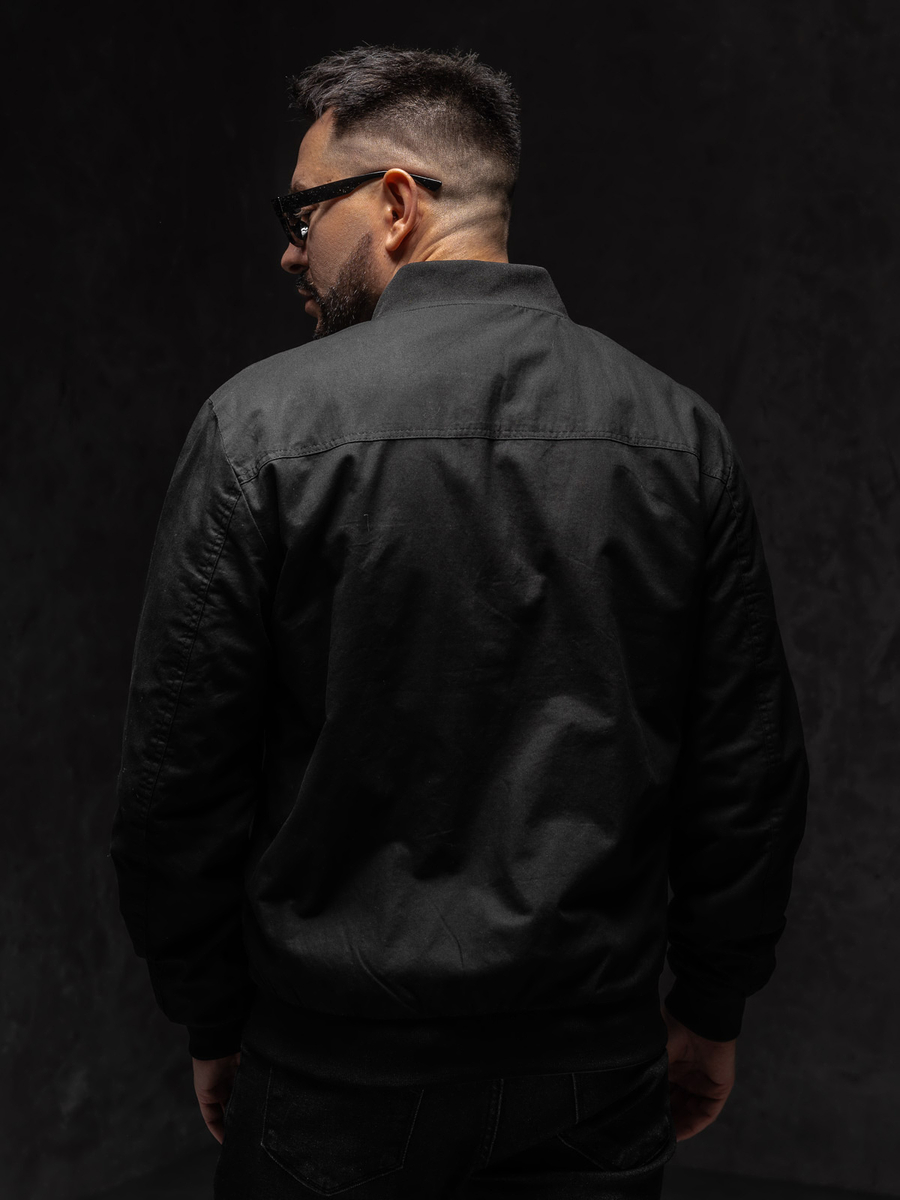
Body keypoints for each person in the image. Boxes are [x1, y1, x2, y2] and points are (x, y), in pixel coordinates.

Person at [109, 44, 809, 1200]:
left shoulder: (258, 430)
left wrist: (213, 1016)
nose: (289, 247)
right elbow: (747, 777)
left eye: (302, 211)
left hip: (331, 1074)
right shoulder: (677, 435)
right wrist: (711, 1005)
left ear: (396, 204)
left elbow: (175, 785)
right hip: (592, 1075)